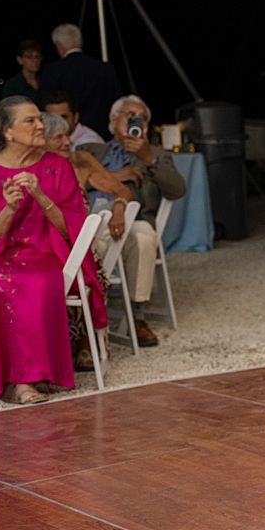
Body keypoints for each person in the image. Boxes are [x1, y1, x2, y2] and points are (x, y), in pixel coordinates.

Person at [0, 96, 105, 405]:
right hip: (0, 256)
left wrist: (40, 195)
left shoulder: (57, 167)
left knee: (38, 283)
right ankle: (0, 378)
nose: (40, 125)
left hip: (47, 254)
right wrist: (9, 209)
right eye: (31, 121)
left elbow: (68, 229)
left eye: (40, 119)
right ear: (7, 132)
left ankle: (25, 380)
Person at [79, 96, 185, 347]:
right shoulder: (91, 152)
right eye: (129, 115)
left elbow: (177, 190)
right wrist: (116, 176)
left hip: (130, 224)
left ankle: (137, 317)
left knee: (143, 235)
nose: (137, 121)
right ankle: (82, 318)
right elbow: (68, 181)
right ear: (113, 120)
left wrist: (148, 159)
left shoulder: (156, 155)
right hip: (87, 221)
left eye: (143, 118)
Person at [45, 112, 131, 371]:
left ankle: (85, 341)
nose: (67, 142)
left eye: (66, 135)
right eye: (58, 137)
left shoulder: (81, 160)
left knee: (83, 262)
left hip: (79, 240)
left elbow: (121, 190)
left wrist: (119, 208)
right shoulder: (34, 166)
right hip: (46, 240)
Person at [39, 23, 122, 138]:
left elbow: (46, 105)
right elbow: (117, 103)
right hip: (103, 135)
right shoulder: (105, 69)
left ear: (59, 46)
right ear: (80, 42)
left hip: (65, 137)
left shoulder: (52, 71)